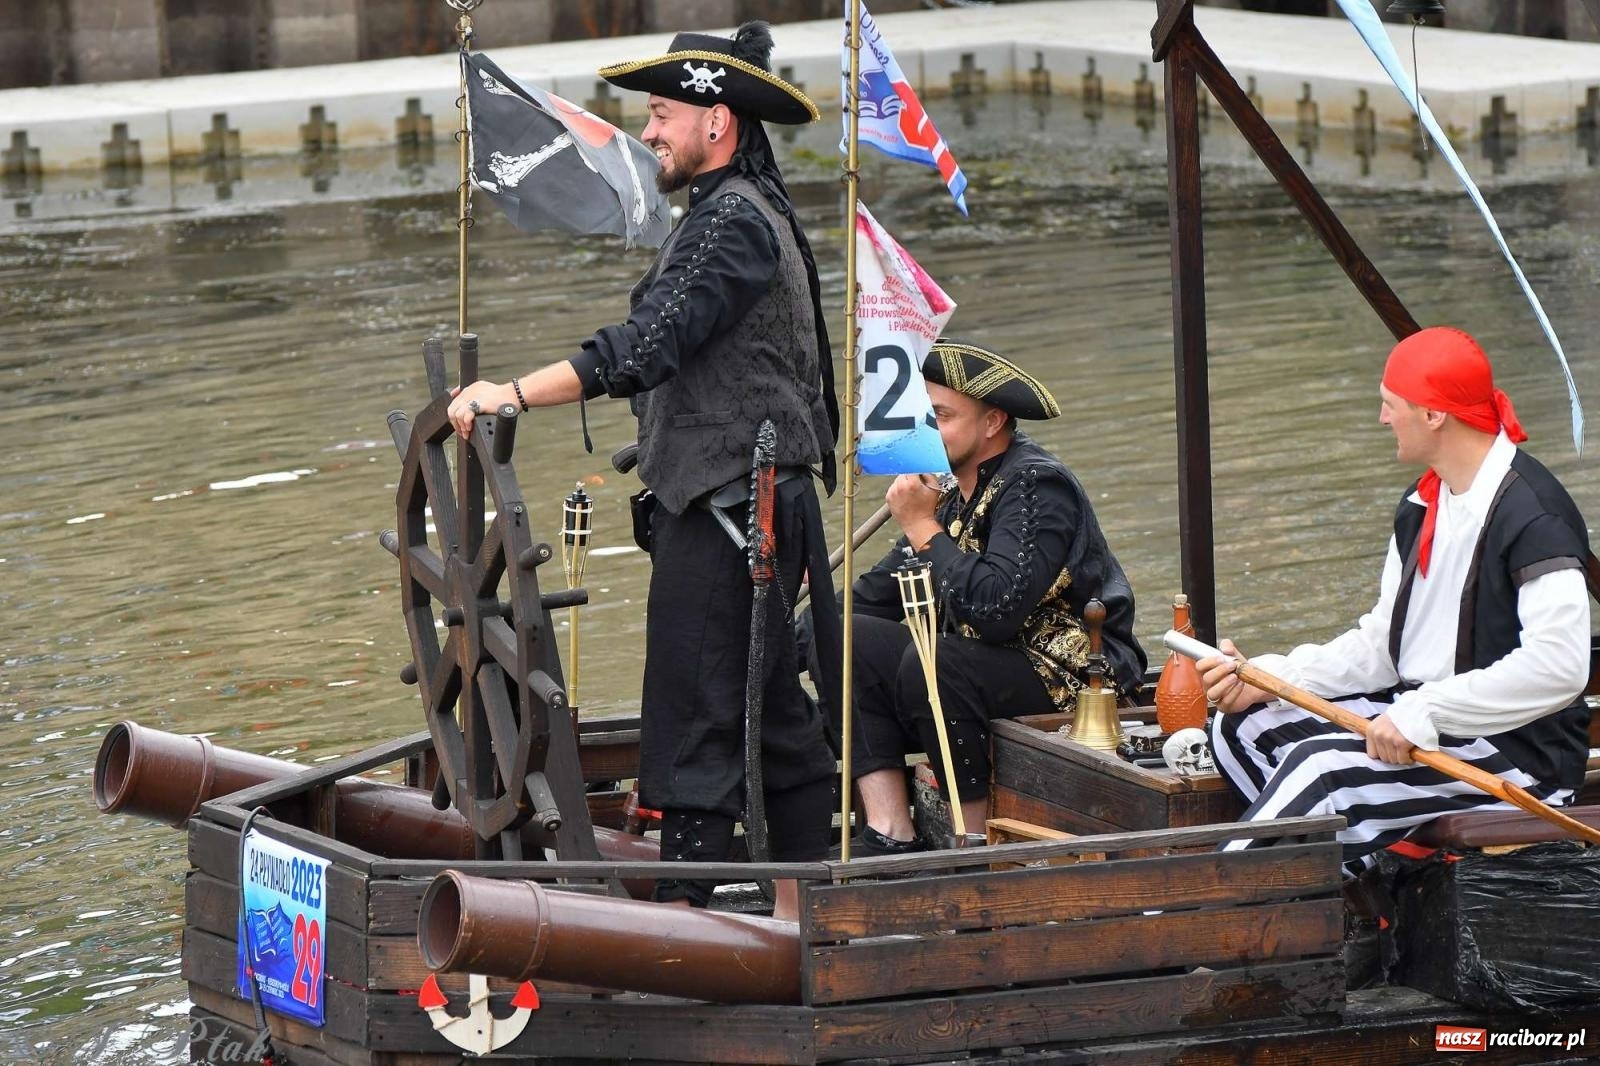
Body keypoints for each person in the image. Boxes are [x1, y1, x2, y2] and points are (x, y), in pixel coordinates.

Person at [447, 22, 841, 920]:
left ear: (718, 121)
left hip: (736, 518)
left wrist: (511, 391)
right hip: (755, 509)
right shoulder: (747, 213)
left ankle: (688, 943)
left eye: (662, 115)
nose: (649, 134)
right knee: (779, 726)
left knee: (700, 733)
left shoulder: (735, 221)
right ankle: (814, 921)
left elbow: (646, 346)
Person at [1199, 326, 1592, 870]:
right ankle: (1350, 898)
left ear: (1434, 415)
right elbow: (1386, 646)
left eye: (1390, 405)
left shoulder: (1534, 515)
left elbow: (1561, 667)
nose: (1383, 419)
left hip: (1515, 758)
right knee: (1241, 723)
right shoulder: (1420, 502)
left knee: (1320, 770)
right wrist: (1273, 677)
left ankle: (1190, 918)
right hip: (1423, 721)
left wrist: (1426, 709)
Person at [839, 338, 1146, 854]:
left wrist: (921, 528)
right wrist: (791, 624)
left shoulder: (1035, 485)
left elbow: (995, 611)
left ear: (992, 422)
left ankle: (974, 843)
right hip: (986, 667)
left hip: (1072, 673)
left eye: (940, 415)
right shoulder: (951, 491)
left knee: (933, 658)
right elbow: (873, 597)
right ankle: (891, 830)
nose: (925, 430)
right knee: (847, 635)